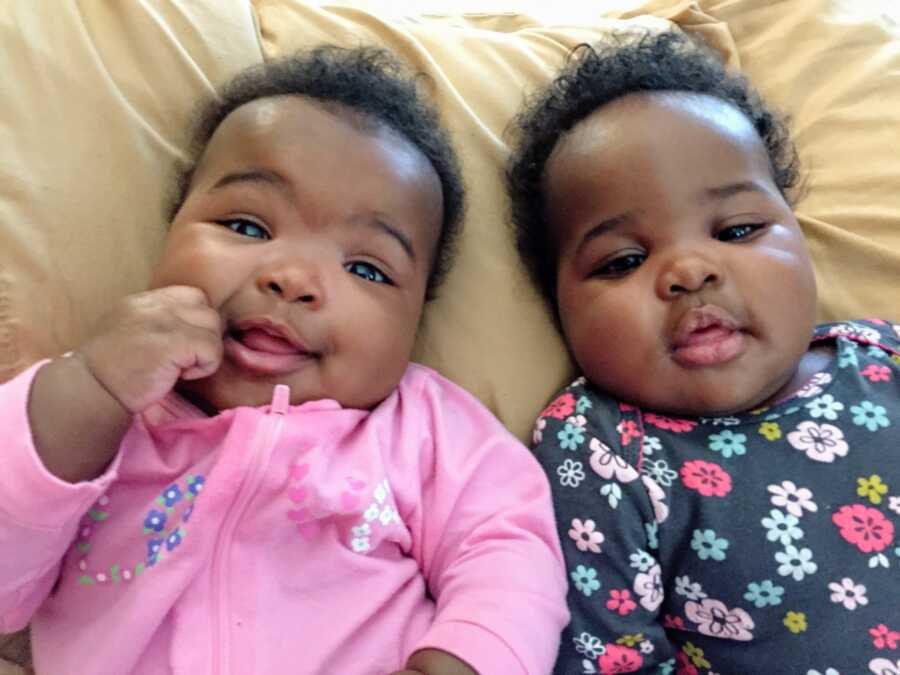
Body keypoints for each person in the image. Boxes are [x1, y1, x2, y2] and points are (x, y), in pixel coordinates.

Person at [0, 46, 568, 675]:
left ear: (415, 322)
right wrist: (88, 389)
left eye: (365, 268)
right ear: (171, 233)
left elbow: (509, 552)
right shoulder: (93, 413)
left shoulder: (425, 429)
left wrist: (467, 659)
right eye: (247, 227)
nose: (295, 279)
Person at [506, 30, 900, 675]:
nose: (688, 271)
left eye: (738, 230)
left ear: (801, 236)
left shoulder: (886, 355)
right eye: (625, 260)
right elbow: (607, 659)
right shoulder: (601, 449)